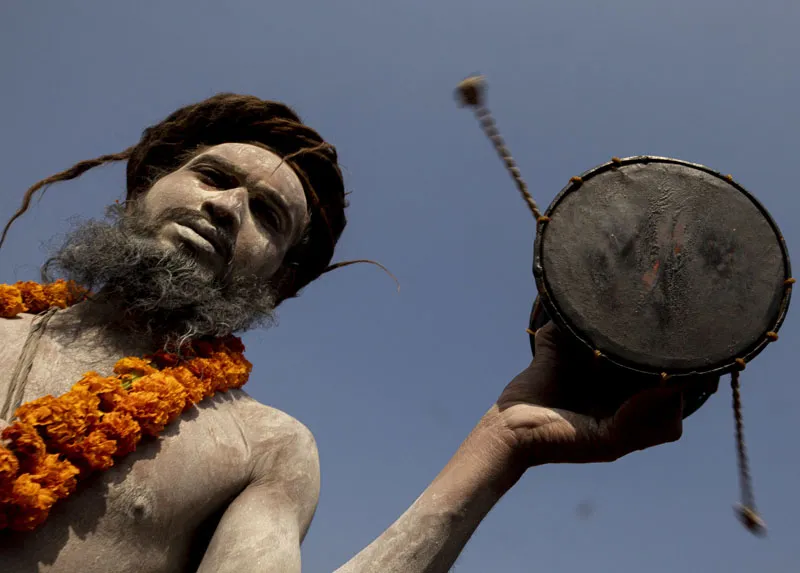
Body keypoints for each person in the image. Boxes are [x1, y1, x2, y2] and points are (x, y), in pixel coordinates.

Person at [0, 93, 685, 573]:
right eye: (212, 176)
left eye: (268, 215)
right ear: (146, 186)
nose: (228, 207)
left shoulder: (264, 448)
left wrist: (503, 445)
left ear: (276, 280)